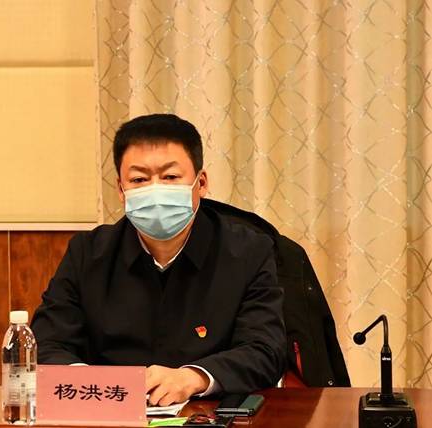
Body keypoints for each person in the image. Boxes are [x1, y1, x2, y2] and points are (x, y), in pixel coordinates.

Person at [31, 113, 286, 406]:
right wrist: (93, 387)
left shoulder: (248, 252)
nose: (155, 190)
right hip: (110, 412)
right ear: (121, 190)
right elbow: (45, 343)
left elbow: (265, 350)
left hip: (208, 415)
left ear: (201, 183)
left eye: (170, 177)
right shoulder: (88, 253)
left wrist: (194, 377)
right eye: (139, 179)